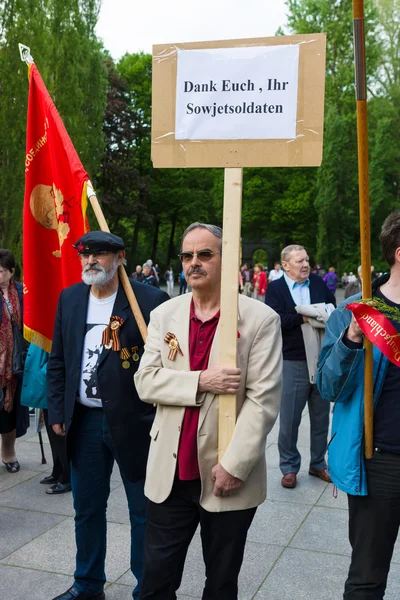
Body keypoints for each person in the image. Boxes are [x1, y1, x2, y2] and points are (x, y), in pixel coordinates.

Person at [134, 222, 282, 600]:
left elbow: (263, 400)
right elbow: (145, 382)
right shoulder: (164, 314)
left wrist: (234, 465)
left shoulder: (260, 319)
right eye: (187, 255)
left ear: (226, 259)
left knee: (220, 583)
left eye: (204, 254)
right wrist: (201, 381)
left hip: (225, 475)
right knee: (155, 580)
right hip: (170, 473)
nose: (193, 262)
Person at [47, 231, 169, 600]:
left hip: (135, 423)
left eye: (99, 255)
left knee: (143, 513)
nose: (90, 262)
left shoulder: (147, 300)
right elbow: (58, 361)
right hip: (83, 422)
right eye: (85, 255)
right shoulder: (70, 299)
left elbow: (166, 360)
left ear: (120, 257)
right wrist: (57, 409)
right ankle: (87, 585)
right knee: (86, 509)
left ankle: (146, 588)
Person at [317, 210, 400, 599]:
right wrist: (351, 339)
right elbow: (329, 387)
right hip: (380, 460)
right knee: (367, 579)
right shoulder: (357, 310)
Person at [265, 244, 336, 489]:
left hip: (321, 359)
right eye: (299, 261)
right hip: (292, 360)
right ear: (285, 265)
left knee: (320, 417)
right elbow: (274, 320)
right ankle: (289, 466)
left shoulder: (318, 284)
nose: (305, 264)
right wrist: (305, 317)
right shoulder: (275, 288)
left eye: (306, 259)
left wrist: (317, 315)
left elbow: (331, 311)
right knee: (290, 419)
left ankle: (318, 463)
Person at [21, 345, 71, 494]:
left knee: (58, 433)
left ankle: (67, 476)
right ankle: (58, 469)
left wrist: (44, 372)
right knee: (51, 432)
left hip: (50, 382)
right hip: (43, 381)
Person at [0, 249, 29, 474]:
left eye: (1, 271)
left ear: (11, 272)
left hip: (15, 361)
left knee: (9, 413)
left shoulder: (21, 292)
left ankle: (8, 454)